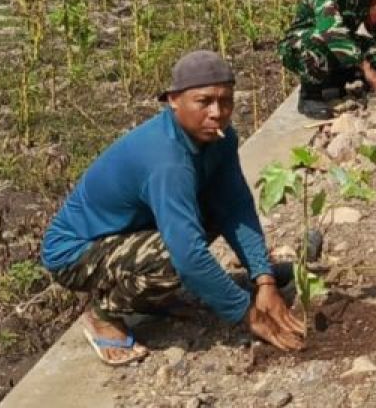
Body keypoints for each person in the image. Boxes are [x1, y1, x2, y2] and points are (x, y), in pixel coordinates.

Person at [41, 51, 305, 366]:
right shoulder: (166, 160)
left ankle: (150, 289)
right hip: (75, 252)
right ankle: (104, 313)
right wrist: (249, 315)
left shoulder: (220, 139)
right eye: (203, 102)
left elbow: (235, 205)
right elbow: (189, 257)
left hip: (132, 230)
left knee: (214, 207)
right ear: (173, 101)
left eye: (226, 101)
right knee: (172, 260)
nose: (217, 113)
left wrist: (263, 279)